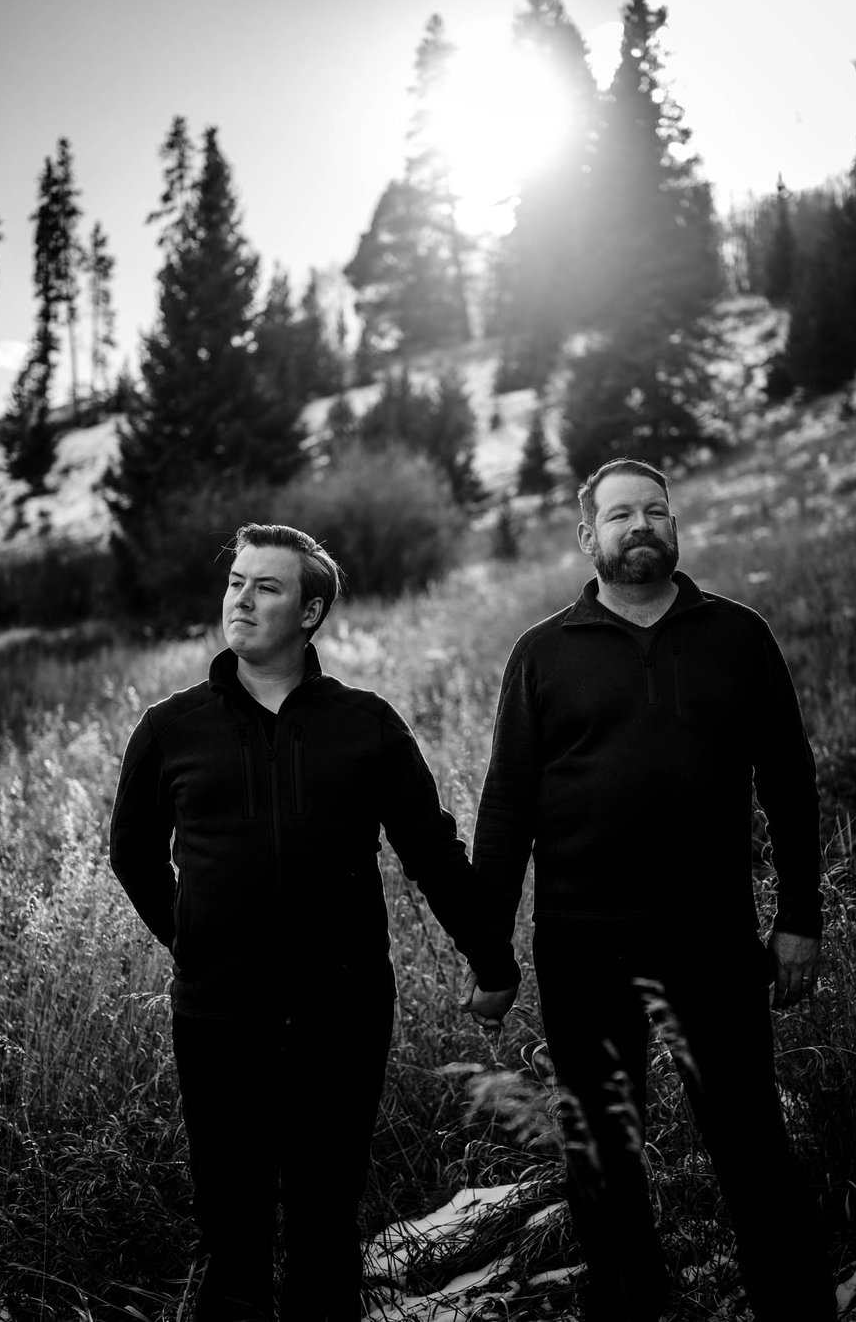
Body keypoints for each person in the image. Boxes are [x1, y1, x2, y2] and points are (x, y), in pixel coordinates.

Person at [109, 523, 519, 1322]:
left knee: (326, 1226)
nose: (242, 599)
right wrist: (194, 943)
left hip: (343, 1011)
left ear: (311, 611)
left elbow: (431, 850)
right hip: (218, 1016)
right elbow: (131, 854)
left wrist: (491, 960)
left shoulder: (364, 722)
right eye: (236, 582)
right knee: (231, 1228)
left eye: (266, 586)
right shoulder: (171, 726)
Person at [468, 459, 836, 1322]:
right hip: (583, 950)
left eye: (656, 511)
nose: (641, 526)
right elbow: (506, 810)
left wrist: (801, 919)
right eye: (621, 514)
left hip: (711, 941)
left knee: (751, 1146)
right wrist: (490, 952)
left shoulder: (738, 635)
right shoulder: (543, 653)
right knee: (602, 1160)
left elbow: (790, 782)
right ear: (587, 535)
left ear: (673, 526)